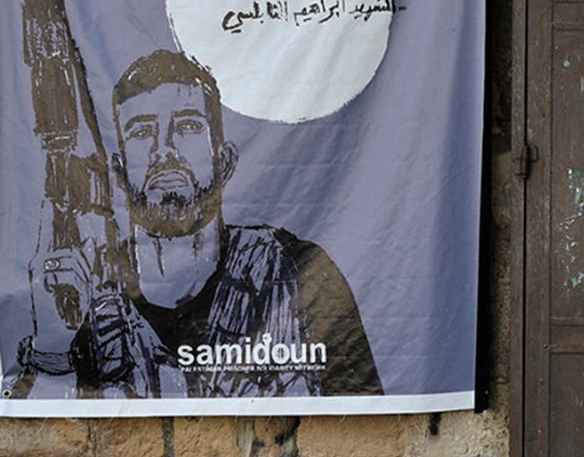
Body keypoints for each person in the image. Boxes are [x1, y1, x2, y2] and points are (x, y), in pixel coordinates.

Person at [20, 49, 382, 399]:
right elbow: (31, 441)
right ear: (117, 170)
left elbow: (365, 413)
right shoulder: (83, 290)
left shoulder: (294, 272)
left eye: (188, 127)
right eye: (142, 132)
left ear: (224, 161)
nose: (165, 150)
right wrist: (52, 346)